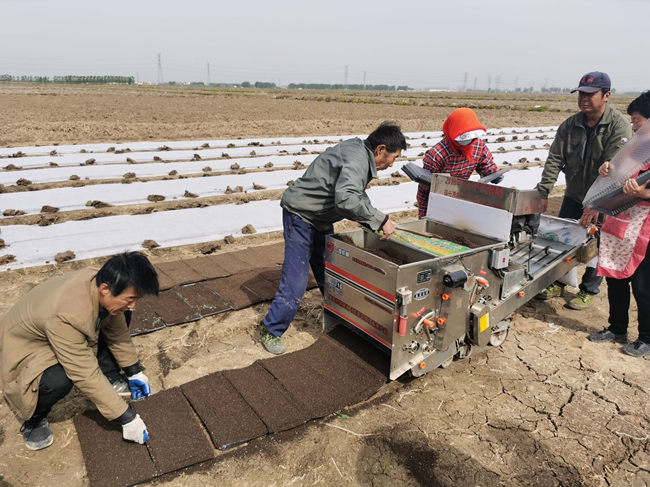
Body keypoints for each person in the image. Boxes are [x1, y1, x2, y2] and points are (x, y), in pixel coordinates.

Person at [258, 122, 406, 354]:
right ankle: (271, 329)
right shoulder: (357, 158)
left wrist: (377, 222)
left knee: (331, 269)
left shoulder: (360, 153)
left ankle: (339, 314)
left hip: (321, 217)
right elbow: (346, 199)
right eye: (393, 157)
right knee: (296, 282)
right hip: (302, 215)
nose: (392, 164)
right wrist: (380, 219)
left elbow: (358, 195)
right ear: (380, 149)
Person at [0, 252, 159, 450]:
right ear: (104, 289)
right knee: (58, 379)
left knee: (121, 313)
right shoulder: (67, 316)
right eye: (130, 298)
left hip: (52, 330)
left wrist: (134, 371)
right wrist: (127, 418)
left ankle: (109, 375)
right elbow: (83, 372)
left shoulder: (104, 281)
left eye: (137, 299)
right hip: (24, 346)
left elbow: (117, 332)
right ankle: (34, 418)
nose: (134, 305)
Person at [536, 71, 632, 309]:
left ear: (606, 95)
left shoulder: (618, 126)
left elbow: (614, 170)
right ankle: (558, 281)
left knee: (595, 244)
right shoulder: (571, 125)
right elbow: (554, 159)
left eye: (590, 94)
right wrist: (543, 193)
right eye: (581, 94)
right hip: (574, 194)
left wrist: (597, 203)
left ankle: (588, 289)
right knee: (563, 238)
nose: (584, 99)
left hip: (603, 199)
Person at [588, 91, 650, 357]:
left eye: (637, 121)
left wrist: (643, 193)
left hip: (644, 228)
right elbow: (617, 176)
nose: (633, 126)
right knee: (614, 278)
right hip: (620, 221)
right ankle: (617, 329)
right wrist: (607, 169)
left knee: (643, 286)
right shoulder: (634, 149)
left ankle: (646, 338)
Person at [416, 108, 499, 218]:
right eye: (463, 136)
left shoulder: (478, 145)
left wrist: (493, 174)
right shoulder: (437, 155)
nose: (467, 140)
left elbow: (485, 164)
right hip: (435, 198)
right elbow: (426, 186)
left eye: (470, 136)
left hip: (459, 195)